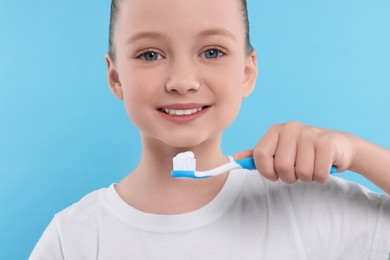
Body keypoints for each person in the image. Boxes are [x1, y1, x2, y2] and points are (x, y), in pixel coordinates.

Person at [30, 0, 390, 259]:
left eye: (213, 52)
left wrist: (357, 153)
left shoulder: (309, 207)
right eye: (150, 55)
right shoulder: (72, 238)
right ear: (115, 76)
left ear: (247, 72)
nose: (182, 81)